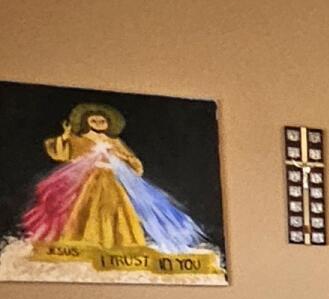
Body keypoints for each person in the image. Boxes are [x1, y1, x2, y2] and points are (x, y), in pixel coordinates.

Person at [11, 99, 222, 278]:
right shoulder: (79, 139)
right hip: (87, 183)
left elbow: (134, 164)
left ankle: (120, 247)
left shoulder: (114, 141)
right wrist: (66, 136)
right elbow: (60, 153)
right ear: (85, 122)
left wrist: (120, 156)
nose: (98, 123)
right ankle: (86, 245)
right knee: (86, 213)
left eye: (102, 120)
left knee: (117, 214)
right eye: (94, 120)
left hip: (111, 182)